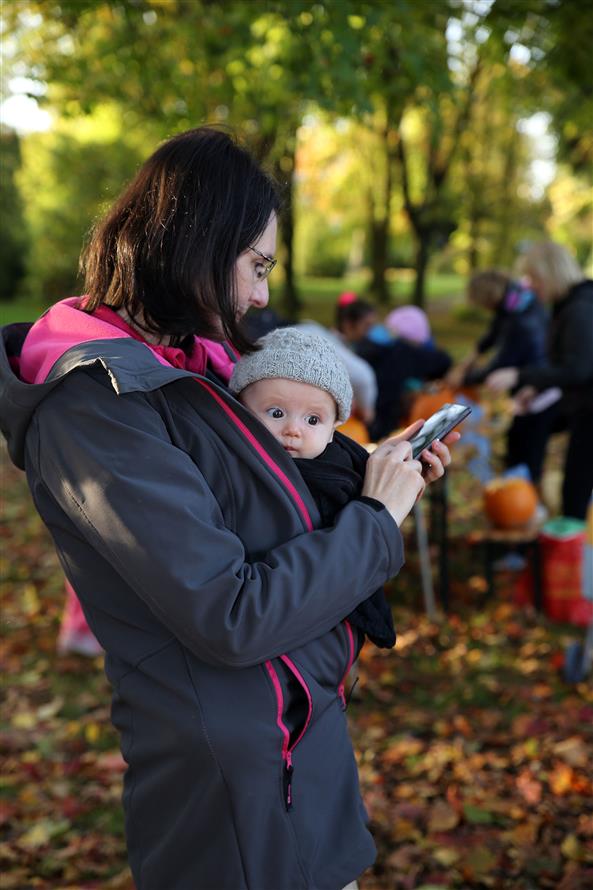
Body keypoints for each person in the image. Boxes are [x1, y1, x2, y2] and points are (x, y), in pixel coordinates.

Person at [0, 126, 456, 890]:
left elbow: (265, 502)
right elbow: (227, 612)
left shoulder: (198, 364)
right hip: (233, 780)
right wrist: (376, 523)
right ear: (193, 245)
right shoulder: (96, 406)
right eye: (256, 265)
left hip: (297, 734)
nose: (262, 294)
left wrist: (369, 472)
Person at [229, 325, 397, 650]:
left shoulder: (346, 472)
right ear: (239, 411)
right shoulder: (234, 473)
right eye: (276, 413)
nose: (293, 430)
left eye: (313, 420)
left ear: (334, 429)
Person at [487, 241, 593, 520]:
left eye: (534, 278)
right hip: (582, 407)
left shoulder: (580, 308)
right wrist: (536, 387)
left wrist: (519, 375)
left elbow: (578, 369)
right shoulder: (569, 304)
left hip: (589, 411)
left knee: (576, 491)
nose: (529, 286)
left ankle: (573, 556)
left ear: (551, 273)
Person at [446, 269, 550, 483]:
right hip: (532, 378)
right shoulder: (515, 301)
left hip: (539, 385)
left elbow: (498, 365)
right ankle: (522, 484)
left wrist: (464, 379)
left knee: (527, 443)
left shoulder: (520, 322)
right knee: (519, 438)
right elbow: (491, 336)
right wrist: (467, 362)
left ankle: (527, 491)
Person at [340, 300, 452, 441]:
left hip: (355, 427)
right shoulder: (403, 351)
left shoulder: (356, 349)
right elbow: (444, 361)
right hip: (386, 427)